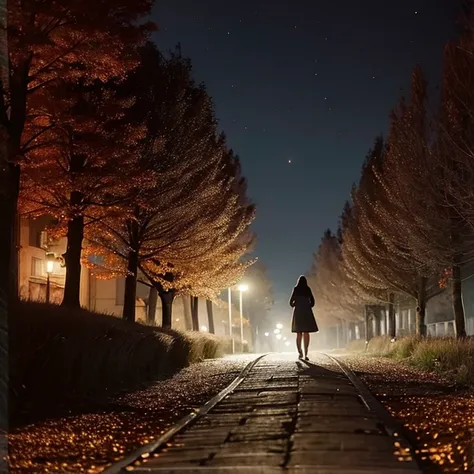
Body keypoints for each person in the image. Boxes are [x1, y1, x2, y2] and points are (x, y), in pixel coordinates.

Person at [289, 275, 318, 360]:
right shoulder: (308, 289)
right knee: (306, 332)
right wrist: (308, 306)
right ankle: (306, 353)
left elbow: (290, 302)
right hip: (306, 312)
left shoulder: (296, 289)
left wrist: (296, 304)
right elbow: (313, 302)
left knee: (299, 333)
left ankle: (300, 352)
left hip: (298, 313)